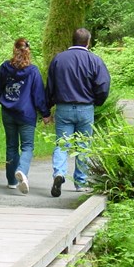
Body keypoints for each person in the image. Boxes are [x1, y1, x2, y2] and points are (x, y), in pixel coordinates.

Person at [46, 28, 111, 197]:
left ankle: (59, 174)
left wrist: (47, 107)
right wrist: (97, 101)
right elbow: (103, 85)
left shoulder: (59, 59)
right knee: (83, 145)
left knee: (62, 144)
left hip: (63, 108)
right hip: (85, 108)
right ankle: (80, 182)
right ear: (88, 42)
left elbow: (50, 86)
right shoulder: (94, 60)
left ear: (72, 40)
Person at [0, 38, 51, 195]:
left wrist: (5, 101)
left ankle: (11, 181)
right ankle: (22, 171)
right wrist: (45, 114)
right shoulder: (33, 71)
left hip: (8, 113)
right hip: (26, 114)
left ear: (14, 49)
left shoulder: (4, 68)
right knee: (27, 146)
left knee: (11, 146)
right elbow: (38, 96)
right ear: (28, 51)